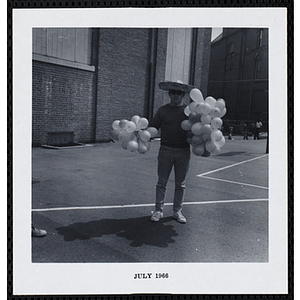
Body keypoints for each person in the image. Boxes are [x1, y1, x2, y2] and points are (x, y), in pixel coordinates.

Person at [149, 80, 195, 223]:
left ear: (184, 95)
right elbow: (153, 126)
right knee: (161, 182)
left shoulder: (189, 112)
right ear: (169, 94)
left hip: (183, 150)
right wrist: (145, 134)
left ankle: (177, 211)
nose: (176, 95)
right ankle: (158, 210)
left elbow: (195, 130)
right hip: (166, 149)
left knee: (180, 183)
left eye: (179, 93)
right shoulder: (162, 110)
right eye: (173, 92)